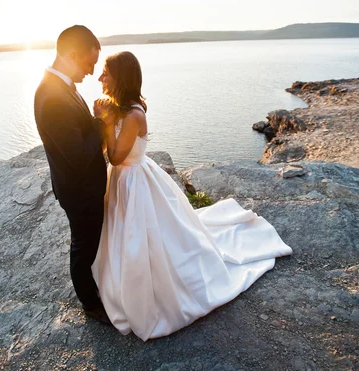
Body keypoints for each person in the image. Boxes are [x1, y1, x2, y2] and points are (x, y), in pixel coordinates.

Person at [91, 51, 293, 341]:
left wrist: (105, 122)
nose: (100, 78)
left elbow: (115, 156)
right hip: (124, 180)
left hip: (133, 180)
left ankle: (150, 286)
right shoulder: (119, 108)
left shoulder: (134, 114)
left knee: (144, 235)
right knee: (128, 233)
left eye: (106, 73)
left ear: (120, 77)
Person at [34, 25, 111, 325]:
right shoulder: (52, 96)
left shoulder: (60, 86)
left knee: (89, 241)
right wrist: (100, 123)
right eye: (89, 63)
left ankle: (96, 288)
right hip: (79, 191)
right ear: (72, 55)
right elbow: (78, 156)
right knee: (83, 246)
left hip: (82, 187)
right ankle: (90, 303)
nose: (92, 72)